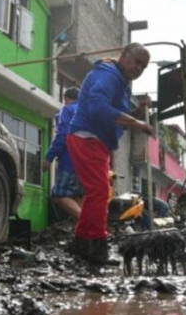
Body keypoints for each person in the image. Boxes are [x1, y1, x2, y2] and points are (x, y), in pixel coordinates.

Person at [66, 43, 154, 264]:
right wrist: (137, 121)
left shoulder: (120, 81)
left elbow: (116, 116)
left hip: (96, 141)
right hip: (87, 137)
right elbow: (98, 109)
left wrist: (136, 113)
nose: (139, 69)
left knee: (95, 194)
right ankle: (97, 247)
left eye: (143, 67)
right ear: (124, 55)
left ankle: (81, 242)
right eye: (137, 62)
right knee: (99, 192)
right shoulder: (108, 75)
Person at [42, 87, 83, 220]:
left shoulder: (67, 110)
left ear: (65, 99)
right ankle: (85, 233)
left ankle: (88, 222)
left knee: (59, 195)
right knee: (78, 197)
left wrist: (49, 157)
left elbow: (63, 135)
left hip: (69, 161)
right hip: (87, 162)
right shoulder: (87, 112)